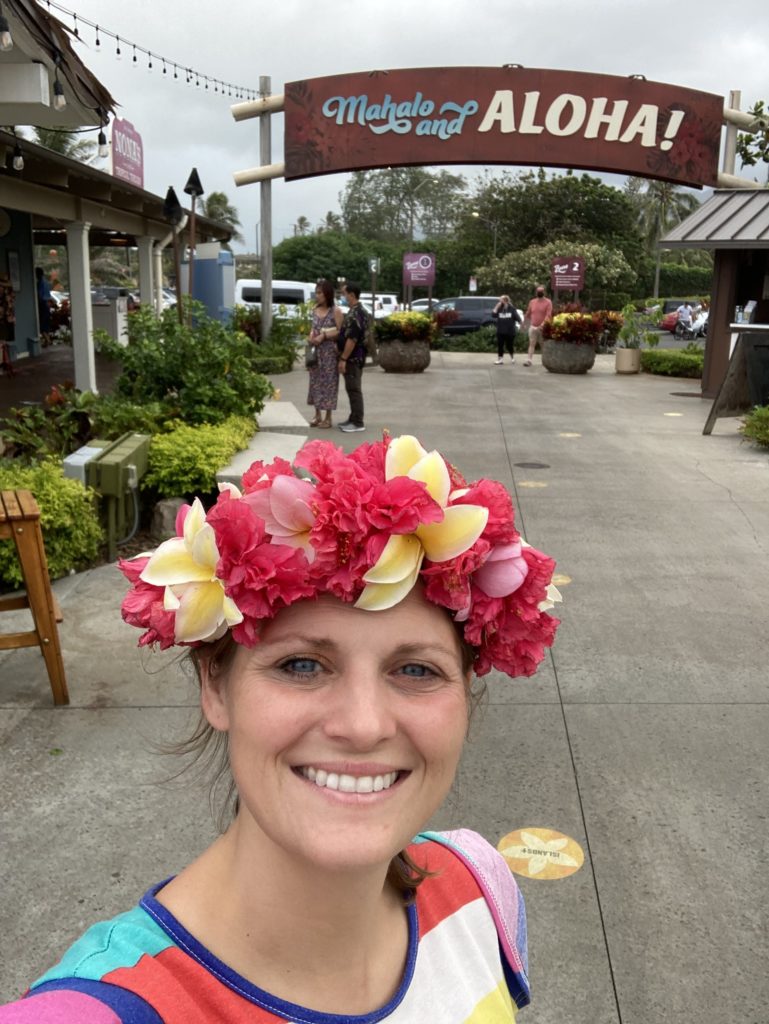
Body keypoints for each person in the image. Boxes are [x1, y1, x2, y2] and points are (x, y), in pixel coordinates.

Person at [0, 433, 562, 1023]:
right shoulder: (100, 1010)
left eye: (417, 669)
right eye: (302, 665)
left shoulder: (478, 889)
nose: (363, 725)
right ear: (215, 686)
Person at [306, 279, 344, 428]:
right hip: (315, 352)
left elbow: (340, 332)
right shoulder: (314, 310)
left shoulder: (336, 311)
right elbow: (312, 327)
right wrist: (311, 336)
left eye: (320, 293)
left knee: (329, 383)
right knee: (315, 382)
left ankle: (328, 417)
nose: (318, 296)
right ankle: (317, 414)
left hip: (329, 353)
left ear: (328, 294)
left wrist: (324, 335)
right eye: (316, 293)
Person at [337, 281, 368, 432]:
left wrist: (343, 358)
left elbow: (352, 339)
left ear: (352, 295)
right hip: (352, 357)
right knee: (351, 388)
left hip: (353, 358)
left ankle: (357, 422)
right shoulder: (354, 311)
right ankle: (353, 417)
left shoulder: (356, 313)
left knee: (354, 388)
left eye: (344, 294)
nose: (343, 297)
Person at [523, 286, 553, 367]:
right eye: (538, 291)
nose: (539, 293)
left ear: (544, 292)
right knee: (532, 343)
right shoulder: (532, 302)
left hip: (543, 328)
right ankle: (529, 360)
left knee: (543, 344)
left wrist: (542, 325)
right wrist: (524, 323)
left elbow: (548, 315)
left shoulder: (548, 302)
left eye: (541, 291)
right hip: (533, 327)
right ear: (536, 292)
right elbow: (528, 313)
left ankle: (546, 360)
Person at [491, 295, 522, 364]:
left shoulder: (512, 309)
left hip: (510, 331)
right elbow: (493, 315)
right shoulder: (499, 308)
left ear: (505, 301)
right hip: (500, 331)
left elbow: (518, 318)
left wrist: (522, 324)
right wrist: (496, 306)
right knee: (500, 345)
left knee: (509, 345)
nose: (499, 302)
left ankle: (512, 357)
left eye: (501, 300)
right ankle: (500, 359)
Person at [35, 266, 53, 346]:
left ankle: (48, 340)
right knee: (46, 322)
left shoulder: (40, 282)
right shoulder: (46, 282)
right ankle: (47, 341)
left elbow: (39, 294)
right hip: (47, 303)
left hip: (42, 303)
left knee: (41, 324)